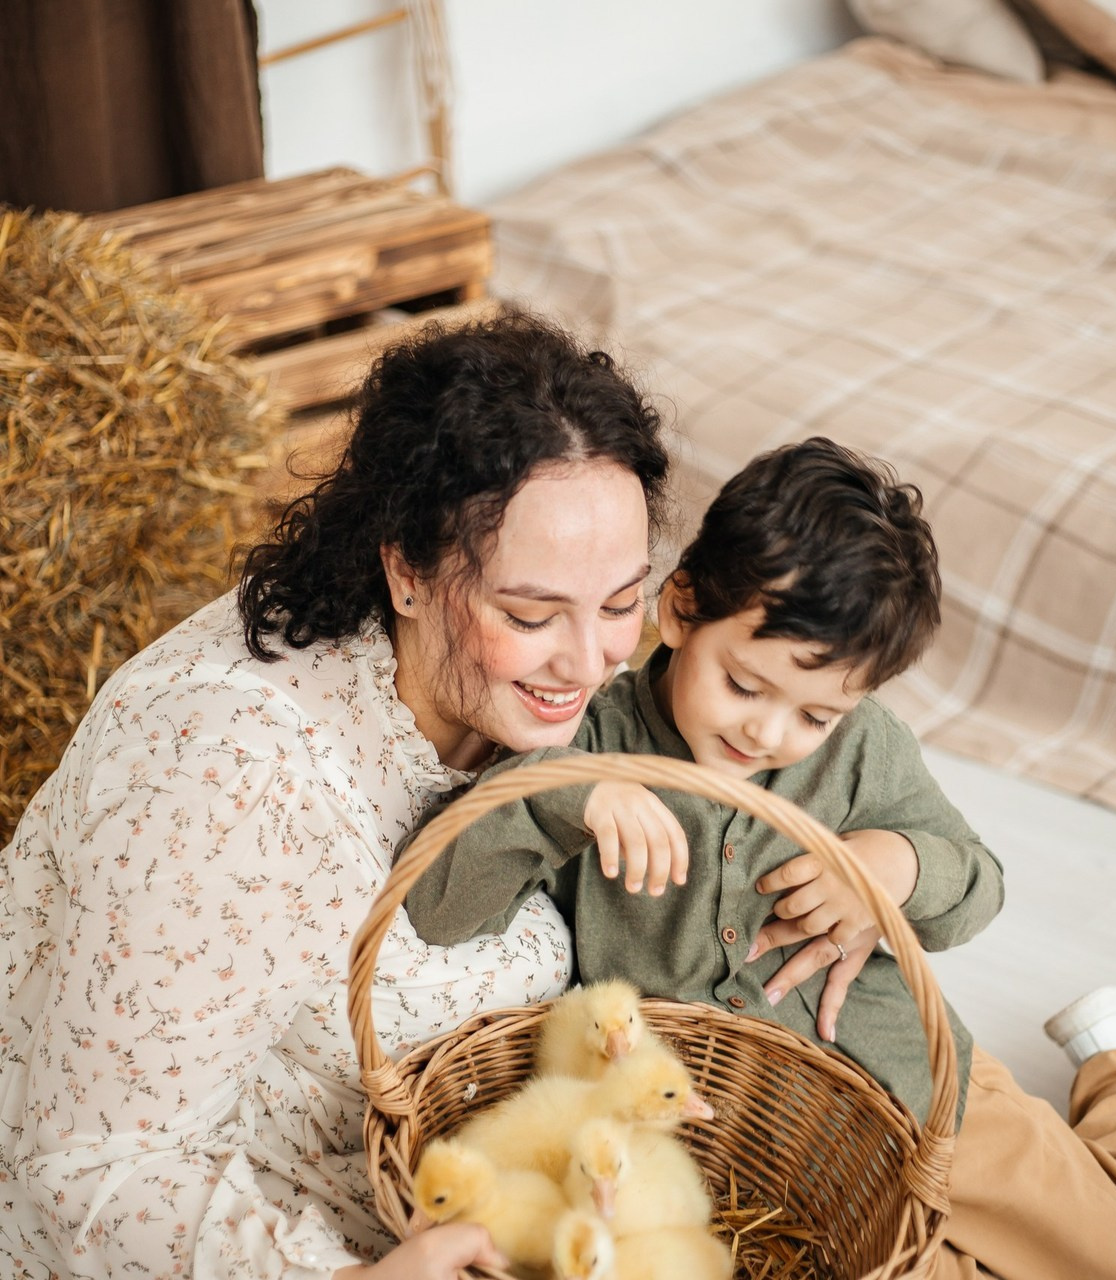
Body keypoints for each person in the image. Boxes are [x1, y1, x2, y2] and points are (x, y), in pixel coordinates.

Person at [403, 437, 1116, 1280]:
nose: (767, 733)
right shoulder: (590, 744)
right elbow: (436, 907)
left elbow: (976, 886)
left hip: (907, 1088)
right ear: (681, 610)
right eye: (744, 685)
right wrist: (571, 796)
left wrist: (892, 865)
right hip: (746, 1144)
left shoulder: (859, 752)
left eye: (814, 715)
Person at [0, 310, 678, 1279]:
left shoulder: (524, 697)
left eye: (621, 601)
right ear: (403, 567)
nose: (588, 659)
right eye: (529, 614)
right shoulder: (226, 774)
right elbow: (86, 1167)